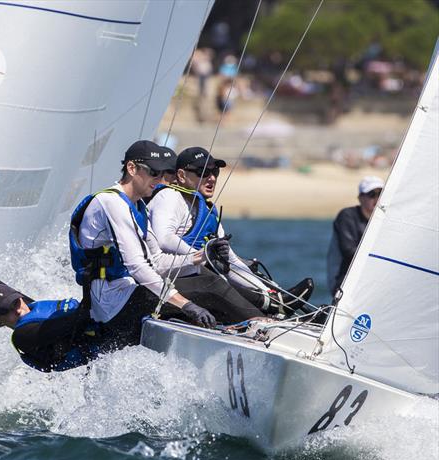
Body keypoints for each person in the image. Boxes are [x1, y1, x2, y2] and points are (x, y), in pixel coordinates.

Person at [70, 140, 264, 348]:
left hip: (128, 292)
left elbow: (158, 261)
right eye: (154, 172)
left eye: (162, 173)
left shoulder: (138, 206)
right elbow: (137, 266)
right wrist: (185, 304)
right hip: (110, 303)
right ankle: (264, 327)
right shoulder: (111, 203)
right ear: (132, 168)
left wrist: (203, 256)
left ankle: (253, 323)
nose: (159, 179)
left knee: (203, 277)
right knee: (209, 286)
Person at [147, 146, 314, 316]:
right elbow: (164, 238)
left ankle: (277, 305)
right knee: (215, 277)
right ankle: (263, 316)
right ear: (181, 175)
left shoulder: (208, 211)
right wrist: (204, 257)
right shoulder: (169, 197)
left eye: (215, 172)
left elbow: (232, 261)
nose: (211, 178)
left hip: (195, 272)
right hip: (165, 278)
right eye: (203, 172)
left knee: (241, 270)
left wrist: (265, 290)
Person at [327, 175, 384, 295]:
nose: (377, 198)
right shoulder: (347, 216)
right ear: (360, 198)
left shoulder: (385, 220)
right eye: (372, 194)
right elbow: (349, 251)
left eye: (381, 194)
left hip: (373, 280)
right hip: (343, 282)